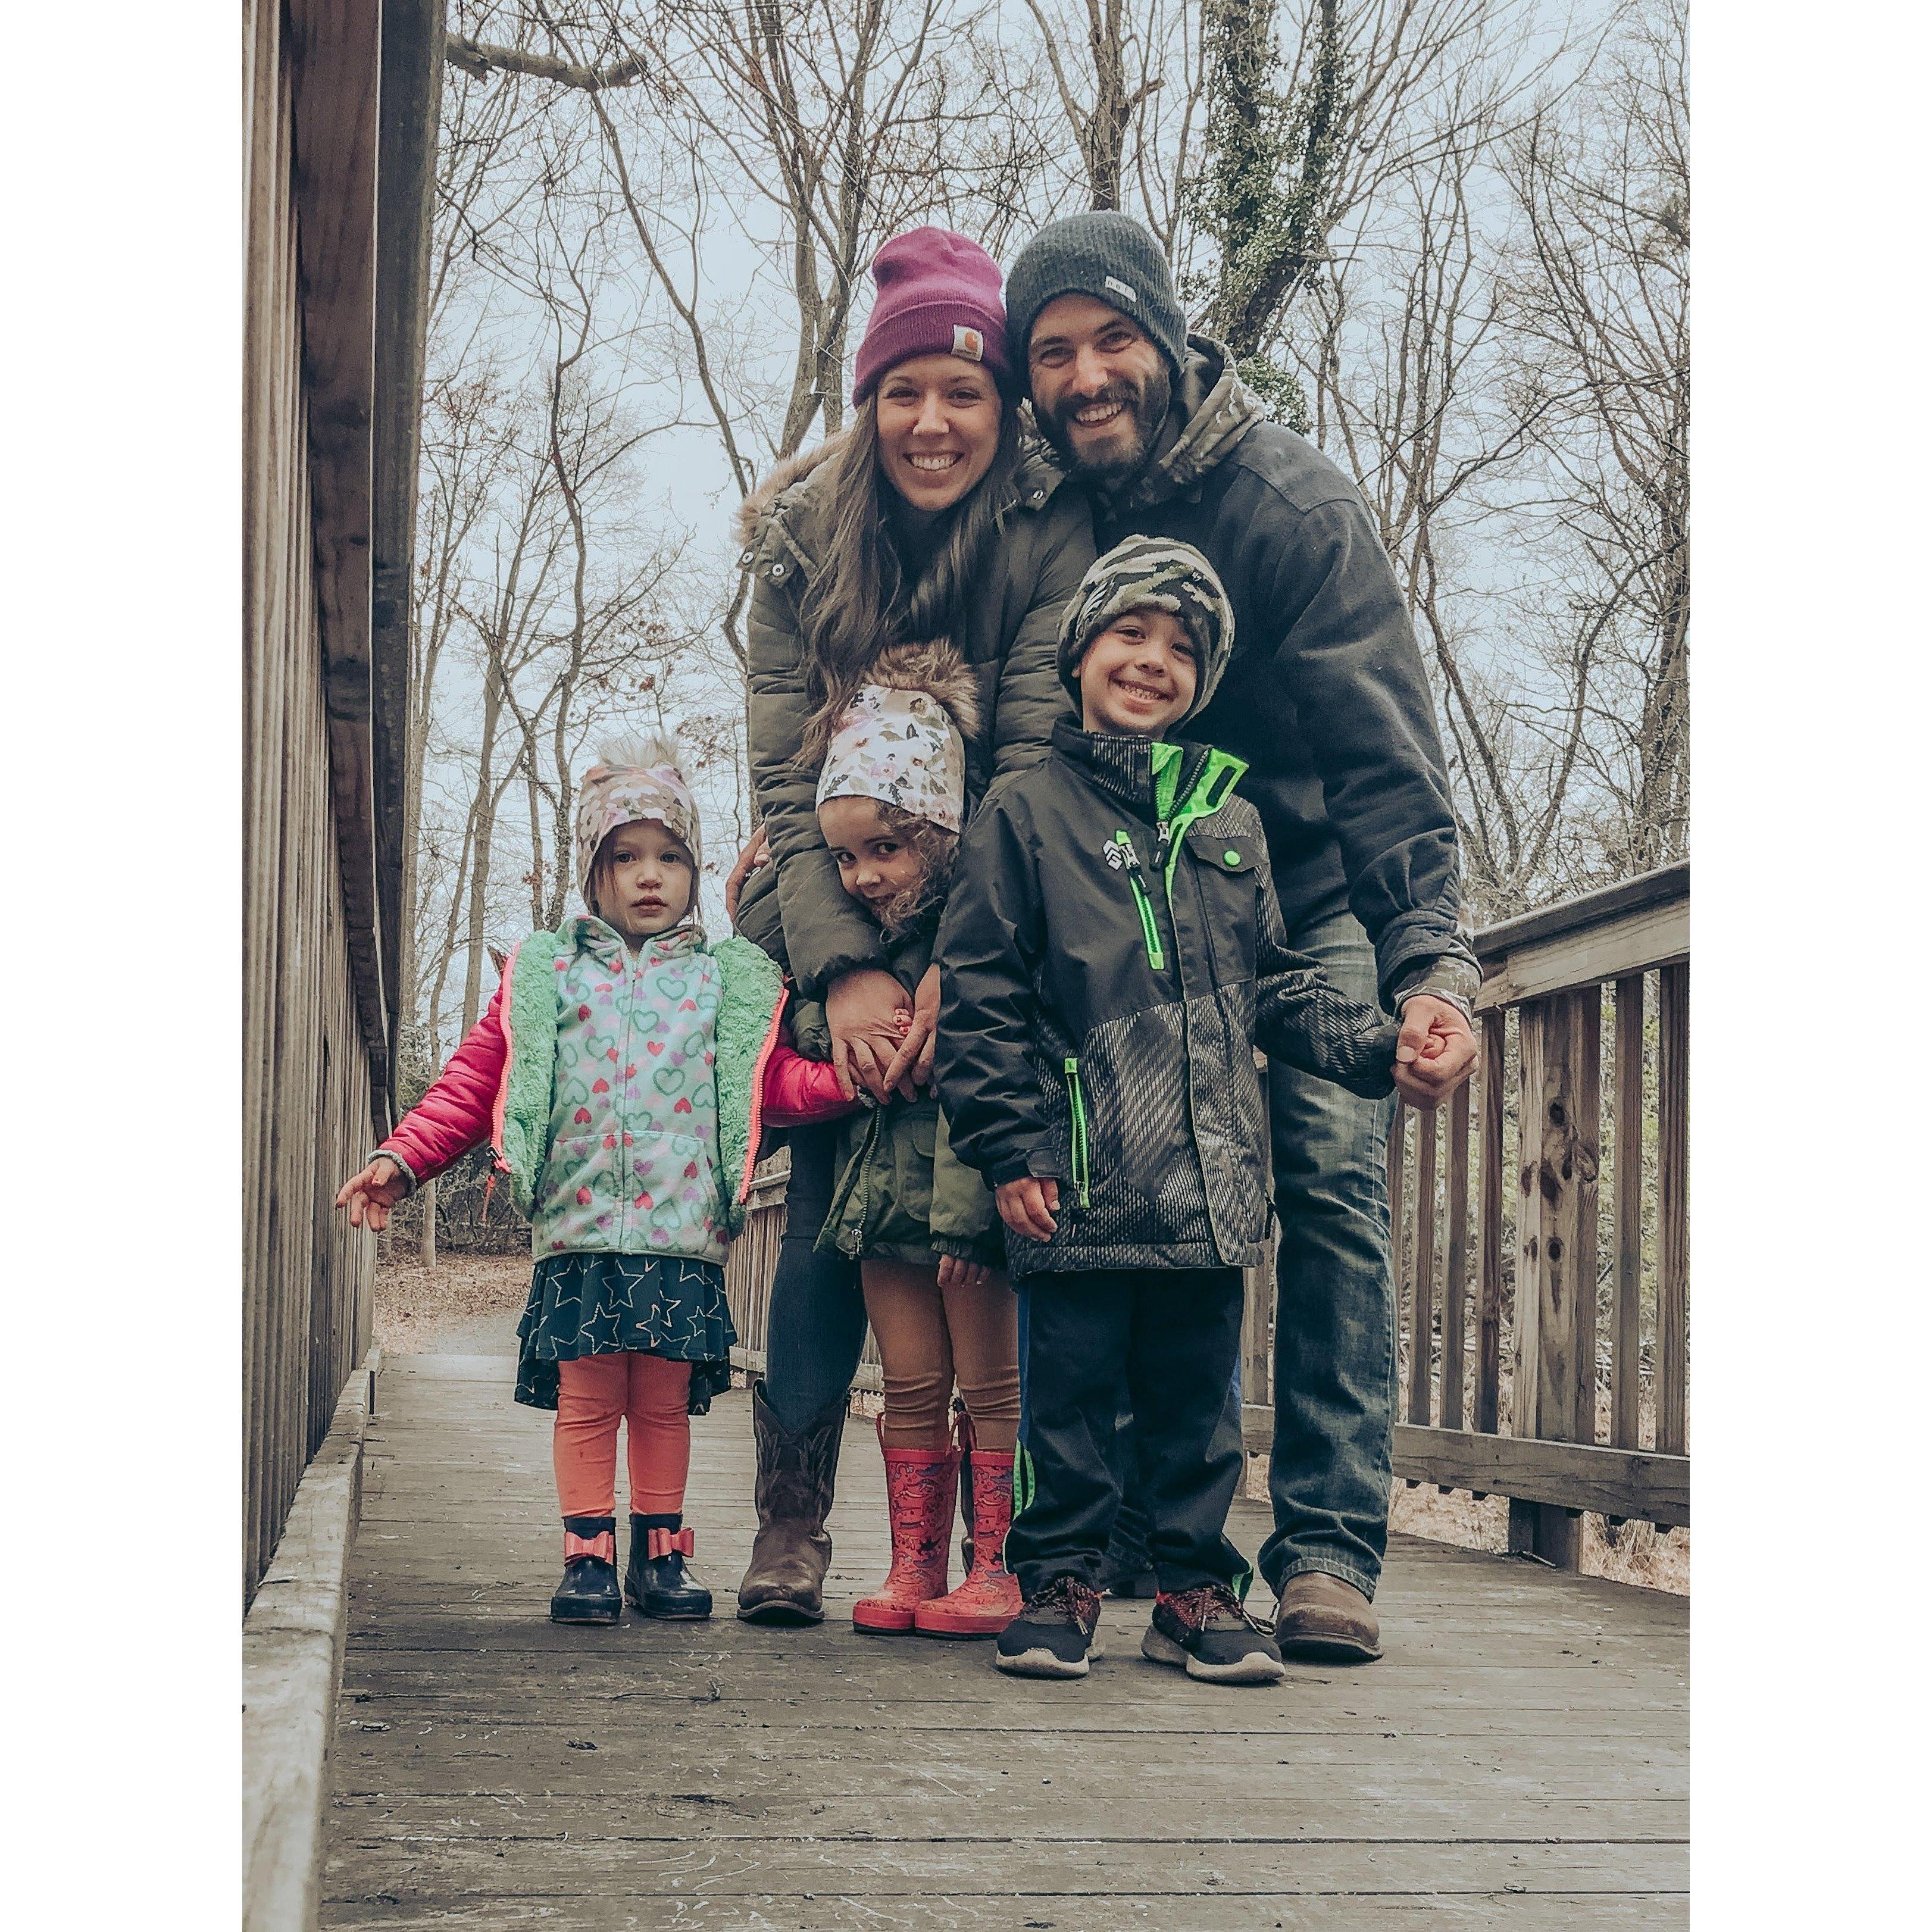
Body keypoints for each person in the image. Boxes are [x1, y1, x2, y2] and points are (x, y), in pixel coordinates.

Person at [1000, 212, 1480, 1662]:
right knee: (1109, 1189)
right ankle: (1140, 1539)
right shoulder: (1045, 514)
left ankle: (1327, 1545)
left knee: (1327, 1169)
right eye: (1054, 354)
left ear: (1168, 336)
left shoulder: (1290, 507)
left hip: (1304, 896)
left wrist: (1429, 963)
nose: (1087, 377)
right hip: (1112, 902)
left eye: (1111, 340)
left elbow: (1385, 753)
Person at [938, 536, 1415, 1684]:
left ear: (1204, 678)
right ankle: (1059, 1577)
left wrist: (1379, 1042)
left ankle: (1194, 1583)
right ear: (1082, 649)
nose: (1153, 660)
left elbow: (1275, 984)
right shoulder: (1024, 809)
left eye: (1183, 647)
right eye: (1130, 634)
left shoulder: (1229, 818)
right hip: (1082, 1175)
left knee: (1200, 1403)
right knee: (1070, 1399)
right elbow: (981, 993)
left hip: (1208, 1186)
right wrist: (1012, 1146)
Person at [731, 224, 1094, 1625]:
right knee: (831, 1190)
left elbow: (1030, 758)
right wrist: (847, 977)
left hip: (995, 902)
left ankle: (1029, 1543)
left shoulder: (1046, 536)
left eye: (964, 391)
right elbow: (778, 775)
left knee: (999, 1205)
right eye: (903, 393)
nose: (932, 423)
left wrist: (958, 967)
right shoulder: (798, 550)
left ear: (1001, 405)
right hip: (829, 886)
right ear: (867, 402)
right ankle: (792, 1517)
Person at [335, 736, 851, 1627]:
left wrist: (849, 1079)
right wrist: (402, 1156)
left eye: (669, 857)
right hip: (578, 1233)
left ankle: (659, 1551)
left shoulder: (721, 983)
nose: (648, 876)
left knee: (659, 1402)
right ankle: (586, 1553)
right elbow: (473, 1080)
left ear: (693, 871)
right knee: (585, 1400)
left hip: (679, 1235)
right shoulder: (547, 975)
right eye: (625, 856)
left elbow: (765, 1084)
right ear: (594, 873)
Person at [788, 643, 1023, 1637]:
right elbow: (793, 1012)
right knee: (911, 1376)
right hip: (882, 1183)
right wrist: (837, 1030)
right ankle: (912, 1560)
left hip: (969, 1185)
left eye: (886, 847)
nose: (863, 873)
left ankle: (998, 1564)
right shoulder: (844, 940)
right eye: (844, 855)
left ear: (938, 827)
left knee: (991, 1376)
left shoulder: (987, 919)